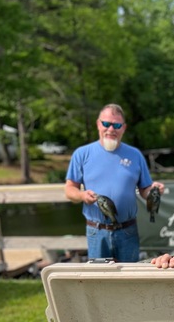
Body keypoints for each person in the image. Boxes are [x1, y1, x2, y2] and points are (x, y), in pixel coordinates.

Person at [65, 103, 165, 262]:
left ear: (123, 128)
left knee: (129, 281)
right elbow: (70, 189)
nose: (111, 129)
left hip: (128, 231)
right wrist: (82, 195)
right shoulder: (82, 154)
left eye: (116, 125)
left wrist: (154, 191)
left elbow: (145, 189)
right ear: (98, 124)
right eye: (106, 124)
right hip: (96, 231)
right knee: (99, 281)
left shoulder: (135, 155)